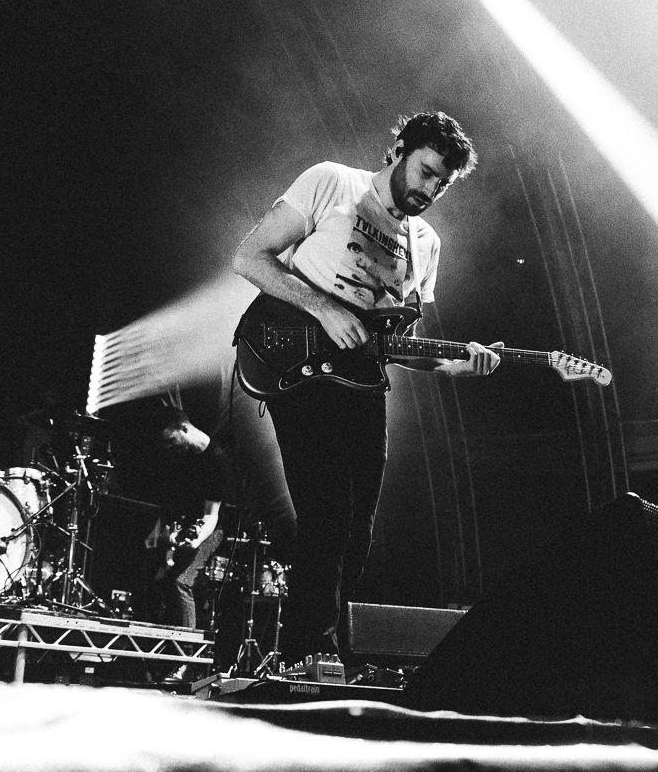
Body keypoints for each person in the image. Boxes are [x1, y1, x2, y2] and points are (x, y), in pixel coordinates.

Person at [232, 111, 500, 666]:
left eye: (441, 184)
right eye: (425, 172)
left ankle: (317, 645)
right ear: (399, 149)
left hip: (361, 380)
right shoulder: (332, 181)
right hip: (294, 361)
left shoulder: (426, 245)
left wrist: (457, 364)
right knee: (326, 508)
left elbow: (397, 345)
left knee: (359, 530)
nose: (429, 190)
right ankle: (310, 652)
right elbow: (249, 257)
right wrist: (323, 308)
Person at [140, 405, 229, 630]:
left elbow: (211, 516)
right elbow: (172, 498)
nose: (169, 447)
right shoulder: (180, 456)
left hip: (211, 527)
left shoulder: (216, 460)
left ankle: (187, 655)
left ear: (183, 428)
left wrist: (198, 540)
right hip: (184, 524)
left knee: (181, 582)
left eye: (171, 441)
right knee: (159, 580)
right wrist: (157, 529)